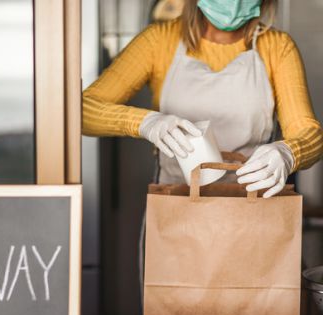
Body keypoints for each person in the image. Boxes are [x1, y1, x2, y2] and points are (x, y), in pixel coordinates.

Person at [82, 0, 323, 198]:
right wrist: (145, 122)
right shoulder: (159, 40)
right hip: (175, 207)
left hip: (252, 209)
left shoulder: (278, 47)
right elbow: (82, 112)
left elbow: (308, 133)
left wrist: (288, 152)